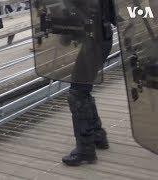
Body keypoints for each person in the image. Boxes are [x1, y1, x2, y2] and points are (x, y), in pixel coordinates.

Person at [61, 0, 117, 166]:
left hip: (95, 41)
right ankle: (97, 136)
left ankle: (85, 149)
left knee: (77, 93)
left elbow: (84, 15)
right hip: (99, 39)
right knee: (82, 90)